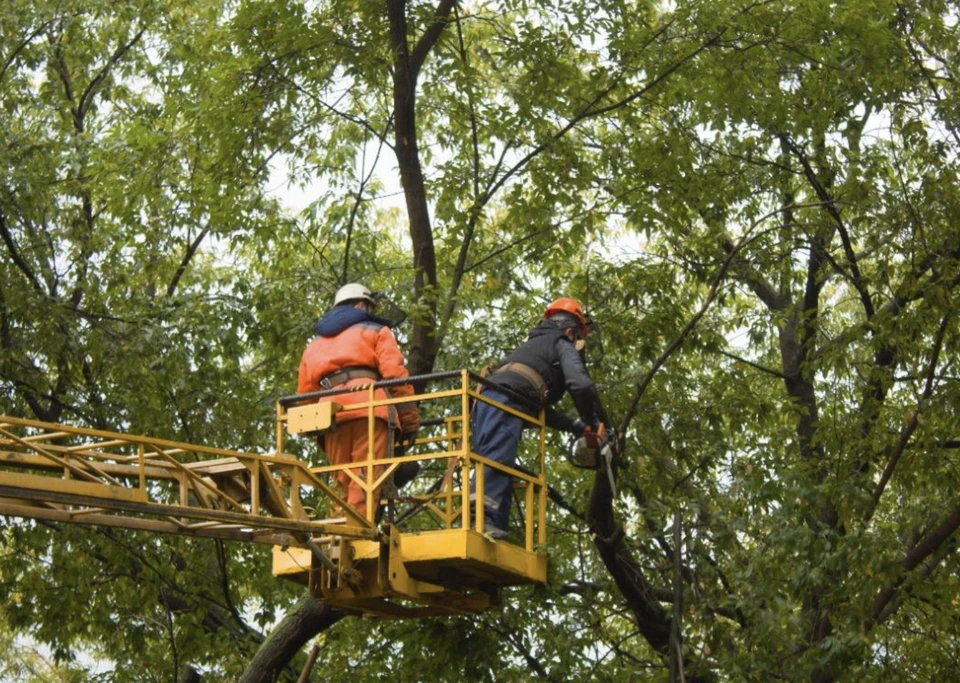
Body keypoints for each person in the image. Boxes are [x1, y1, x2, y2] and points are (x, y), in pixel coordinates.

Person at [471, 297, 604, 538]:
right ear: (570, 331)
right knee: (497, 459)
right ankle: (483, 521)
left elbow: (539, 408)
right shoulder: (561, 342)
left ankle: (490, 525)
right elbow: (581, 385)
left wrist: (576, 425)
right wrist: (593, 423)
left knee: (489, 459)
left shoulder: (532, 349)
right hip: (506, 400)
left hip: (486, 399)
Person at [297, 283, 420, 519]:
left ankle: (338, 536)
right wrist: (410, 421)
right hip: (369, 408)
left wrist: (318, 429)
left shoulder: (313, 346)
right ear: (362, 304)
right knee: (365, 478)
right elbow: (395, 376)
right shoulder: (376, 331)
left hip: (330, 416)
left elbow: (305, 395)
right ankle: (354, 539)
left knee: (341, 482)